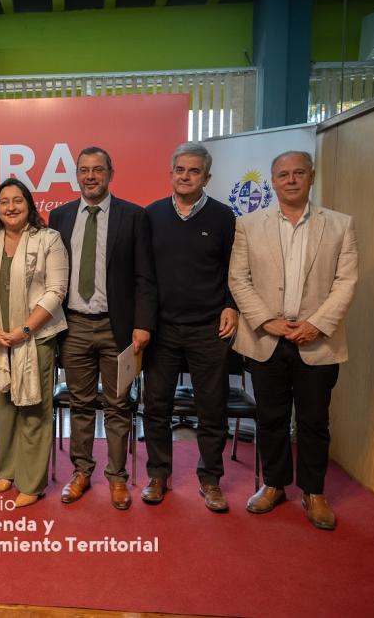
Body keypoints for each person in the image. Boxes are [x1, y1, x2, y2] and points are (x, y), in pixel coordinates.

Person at [229, 151, 358, 530]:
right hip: (266, 339)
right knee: (271, 418)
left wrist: (317, 324)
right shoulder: (249, 225)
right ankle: (273, 484)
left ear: (311, 177)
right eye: (283, 174)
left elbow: (346, 281)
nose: (290, 180)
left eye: (298, 173)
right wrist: (266, 320)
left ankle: (314, 491)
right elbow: (239, 278)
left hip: (317, 342)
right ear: (272, 181)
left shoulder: (339, 225)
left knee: (314, 421)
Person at [48, 146, 150, 510]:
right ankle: (81, 472)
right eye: (84, 170)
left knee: (119, 405)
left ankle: (118, 477)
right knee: (80, 404)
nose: (91, 176)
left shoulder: (133, 216)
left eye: (98, 170)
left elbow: (144, 277)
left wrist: (142, 325)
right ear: (76, 174)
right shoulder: (59, 217)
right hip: (73, 326)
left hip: (118, 329)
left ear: (111, 173)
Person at [141, 142, 238, 513]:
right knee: (156, 406)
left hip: (208, 329)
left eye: (194, 171)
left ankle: (211, 479)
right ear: (171, 173)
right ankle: (158, 475)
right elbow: (144, 275)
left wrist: (232, 306)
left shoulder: (223, 218)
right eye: (180, 169)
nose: (185, 176)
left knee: (212, 408)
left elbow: (236, 271)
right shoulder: (151, 216)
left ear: (207, 177)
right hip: (162, 329)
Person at [0, 179, 69, 508]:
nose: (11, 207)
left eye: (18, 200)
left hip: (35, 339)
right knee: (3, 408)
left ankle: (32, 481)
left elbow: (56, 291)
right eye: (4, 202)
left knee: (32, 409)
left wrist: (24, 330)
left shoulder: (48, 239)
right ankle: (9, 469)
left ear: (30, 205)